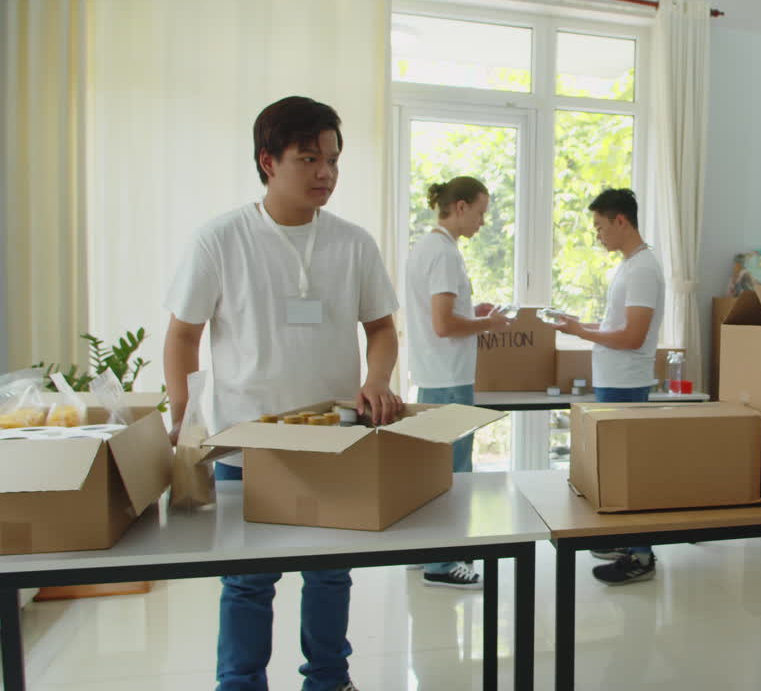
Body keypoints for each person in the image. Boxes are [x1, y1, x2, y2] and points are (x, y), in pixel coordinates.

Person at [163, 95, 402, 691]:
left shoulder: (353, 243)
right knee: (247, 579)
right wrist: (184, 417)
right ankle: (240, 684)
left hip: (336, 442)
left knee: (330, 575)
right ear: (268, 161)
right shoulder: (219, 240)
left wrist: (376, 380)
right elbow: (182, 336)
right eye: (309, 159)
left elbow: (381, 330)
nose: (326, 173)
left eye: (333, 160)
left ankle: (329, 679)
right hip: (247, 444)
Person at [552, 187, 666, 585]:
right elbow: (619, 327)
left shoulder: (643, 269)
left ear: (621, 221)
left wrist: (584, 333)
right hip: (614, 382)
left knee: (627, 472)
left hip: (626, 385)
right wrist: (579, 327)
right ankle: (626, 542)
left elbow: (633, 337)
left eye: (600, 226)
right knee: (614, 470)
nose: (597, 235)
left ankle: (641, 556)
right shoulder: (630, 265)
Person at [405, 175, 510, 589]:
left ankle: (426, 551)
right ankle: (445, 563)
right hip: (449, 378)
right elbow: (445, 324)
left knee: (432, 470)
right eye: (481, 212)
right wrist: (489, 322)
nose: (483, 222)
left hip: (434, 375)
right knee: (454, 473)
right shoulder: (445, 254)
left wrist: (474, 309)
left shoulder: (426, 247)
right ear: (461, 207)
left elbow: (443, 314)